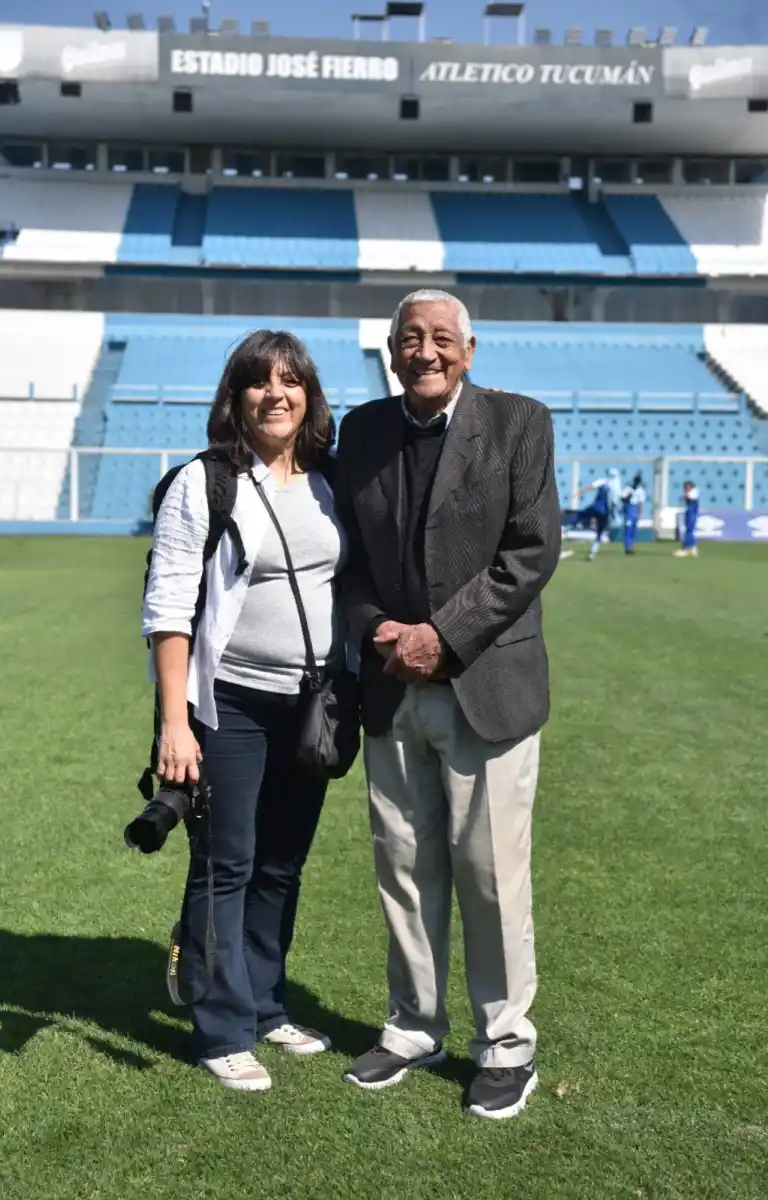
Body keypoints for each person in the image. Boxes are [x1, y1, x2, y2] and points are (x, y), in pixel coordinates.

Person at [335, 288, 561, 1120]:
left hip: (485, 686)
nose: (424, 352)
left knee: (491, 875)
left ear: (469, 349)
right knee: (403, 867)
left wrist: (442, 635)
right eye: (409, 339)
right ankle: (412, 1028)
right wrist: (378, 628)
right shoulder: (362, 431)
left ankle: (504, 1045)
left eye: (440, 338)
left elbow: (530, 552)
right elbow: (347, 559)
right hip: (391, 687)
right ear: (391, 350)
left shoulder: (519, 422)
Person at [141, 330, 346, 1092]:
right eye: (259, 381)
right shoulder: (205, 482)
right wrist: (175, 721)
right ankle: (221, 1030)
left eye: (291, 381)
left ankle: (264, 1004)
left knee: (281, 865)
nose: (276, 394)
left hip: (312, 705)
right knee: (225, 864)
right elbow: (168, 606)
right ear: (236, 397)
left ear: (309, 396)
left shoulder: (330, 478)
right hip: (227, 704)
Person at [570, 470, 618, 561]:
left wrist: (578, 492)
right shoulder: (615, 486)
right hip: (604, 512)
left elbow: (591, 486)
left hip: (595, 507)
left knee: (580, 515)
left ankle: (565, 528)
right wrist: (613, 514)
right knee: (599, 532)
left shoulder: (602, 481)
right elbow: (614, 502)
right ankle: (593, 552)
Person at [621, 473, 646, 555]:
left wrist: (640, 513)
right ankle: (627, 546)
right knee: (628, 529)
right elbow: (622, 498)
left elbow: (641, 503)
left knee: (633, 530)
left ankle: (631, 545)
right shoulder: (628, 489)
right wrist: (629, 496)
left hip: (634, 510)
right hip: (629, 509)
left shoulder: (640, 490)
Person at [674, 481, 700, 558]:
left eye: (686, 487)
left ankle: (686, 548)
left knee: (689, 531)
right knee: (689, 531)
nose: (685, 489)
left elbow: (686, 497)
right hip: (689, 512)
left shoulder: (694, 492)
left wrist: (686, 494)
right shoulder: (693, 492)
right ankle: (692, 548)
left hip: (692, 513)